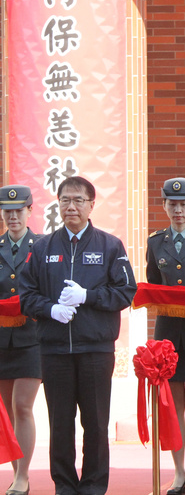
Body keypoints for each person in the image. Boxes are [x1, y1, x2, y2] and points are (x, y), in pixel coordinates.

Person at [19, 176, 137, 495]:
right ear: (58, 204)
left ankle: (94, 486)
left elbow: (126, 291)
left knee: (96, 423)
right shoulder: (42, 247)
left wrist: (88, 296)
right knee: (60, 424)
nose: (71, 207)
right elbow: (26, 296)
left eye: (78, 200)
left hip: (96, 349)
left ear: (91, 205)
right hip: (54, 350)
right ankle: (65, 485)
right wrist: (51, 309)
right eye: (65, 200)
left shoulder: (110, 246)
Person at [146, 178, 185, 495]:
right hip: (168, 334)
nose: (178, 209)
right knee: (174, 404)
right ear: (165, 206)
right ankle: (179, 470)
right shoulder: (156, 242)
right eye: (172, 203)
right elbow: (153, 283)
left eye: (184, 203)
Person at [0, 185, 41, 495]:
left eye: (18, 210)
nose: (13, 216)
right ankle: (16, 474)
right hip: (2, 339)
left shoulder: (41, 247)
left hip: (32, 338)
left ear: (30, 210)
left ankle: (24, 475)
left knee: (22, 406)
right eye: (7, 211)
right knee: (7, 409)